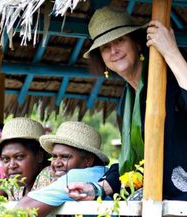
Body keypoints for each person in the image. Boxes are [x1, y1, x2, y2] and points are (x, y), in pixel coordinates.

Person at [67, 6, 187, 201]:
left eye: (120, 41)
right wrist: (97, 189)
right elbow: (135, 162)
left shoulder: (171, 76)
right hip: (162, 198)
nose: (113, 51)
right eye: (105, 47)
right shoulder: (127, 102)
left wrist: (171, 52)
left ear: (137, 44)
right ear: (103, 59)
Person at [15, 121, 109, 216]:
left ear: (88, 161)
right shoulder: (104, 173)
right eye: (54, 156)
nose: (56, 163)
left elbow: (24, 208)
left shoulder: (78, 176)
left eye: (65, 157)